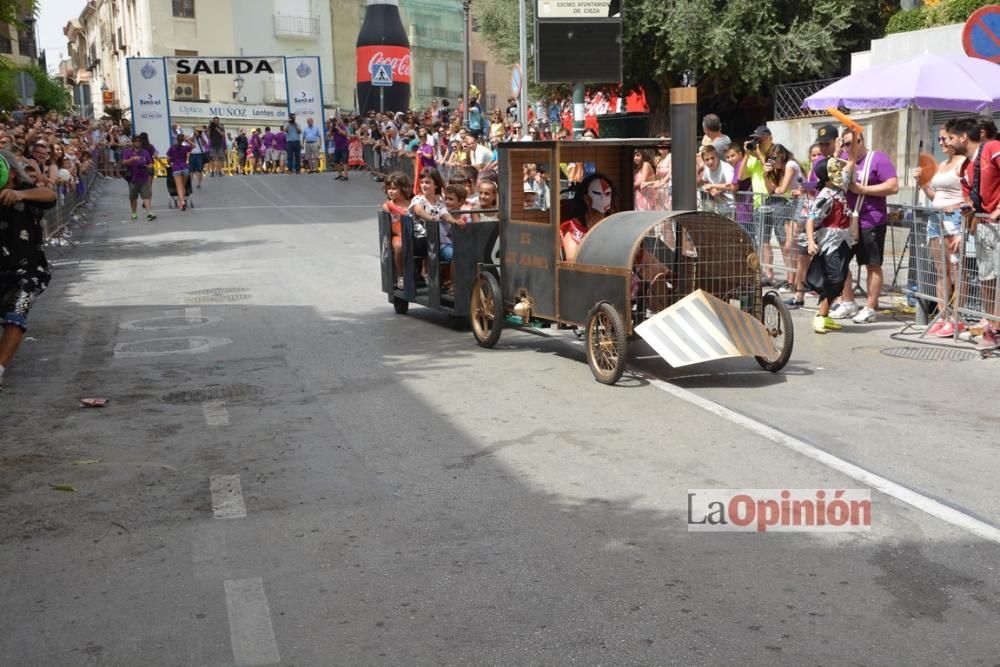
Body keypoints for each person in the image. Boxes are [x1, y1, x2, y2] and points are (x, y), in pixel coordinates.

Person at [0, 151, 58, 392]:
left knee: (17, 312)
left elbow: (50, 194)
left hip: (30, 269)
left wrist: (20, 193)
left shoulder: (28, 194)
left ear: (12, 173)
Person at [829, 127, 899, 324]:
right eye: (845, 144)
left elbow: (893, 186)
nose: (848, 148)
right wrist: (835, 154)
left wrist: (862, 189)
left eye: (851, 143)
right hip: (846, 218)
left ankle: (870, 306)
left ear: (861, 141)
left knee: (872, 264)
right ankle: (848, 301)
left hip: (870, 219)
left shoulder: (877, 158)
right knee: (839, 260)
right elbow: (829, 182)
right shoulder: (842, 159)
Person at [947, 115, 1000, 349]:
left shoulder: (993, 148)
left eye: (950, 138)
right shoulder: (966, 168)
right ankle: (993, 327)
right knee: (987, 280)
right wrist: (966, 211)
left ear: (963, 137)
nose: (947, 143)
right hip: (982, 227)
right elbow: (969, 199)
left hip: (996, 225)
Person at [916, 127, 966, 337]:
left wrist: (959, 213)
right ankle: (943, 315)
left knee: (956, 271)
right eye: (940, 139)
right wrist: (922, 184)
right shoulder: (943, 164)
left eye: (946, 138)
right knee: (940, 271)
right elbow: (935, 196)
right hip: (935, 219)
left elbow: (969, 194)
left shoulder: (965, 163)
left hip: (954, 219)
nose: (942, 142)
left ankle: (957, 318)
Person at [805, 157, 853, 334]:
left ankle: (824, 315)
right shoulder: (825, 195)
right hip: (831, 242)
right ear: (827, 176)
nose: (839, 171)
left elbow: (852, 160)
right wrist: (811, 241)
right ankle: (820, 316)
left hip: (845, 240)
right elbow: (810, 219)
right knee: (836, 279)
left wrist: (854, 135)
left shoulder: (840, 187)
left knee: (840, 279)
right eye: (835, 170)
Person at [738, 125, 785, 286]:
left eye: (761, 139)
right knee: (763, 240)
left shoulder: (775, 152)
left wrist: (759, 156)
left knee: (783, 241)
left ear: (770, 138)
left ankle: (790, 280)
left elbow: (771, 171)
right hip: (759, 203)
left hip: (776, 201)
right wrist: (746, 155)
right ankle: (768, 274)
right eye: (756, 139)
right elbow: (741, 175)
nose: (758, 142)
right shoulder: (753, 155)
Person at [382, 171, 413, 289]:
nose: (390, 191)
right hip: (398, 234)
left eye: (394, 188)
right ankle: (401, 275)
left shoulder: (412, 203)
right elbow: (389, 225)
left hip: (413, 232)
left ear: (403, 188)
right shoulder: (388, 206)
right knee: (399, 246)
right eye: (389, 188)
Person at [122, 135, 156, 222]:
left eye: (139, 141)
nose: (138, 142)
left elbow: (150, 163)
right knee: (133, 197)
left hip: (143, 177)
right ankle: (134, 213)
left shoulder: (145, 152)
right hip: (132, 178)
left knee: (146, 196)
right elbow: (124, 162)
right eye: (136, 140)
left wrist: (146, 166)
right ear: (133, 142)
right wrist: (132, 159)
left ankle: (149, 212)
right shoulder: (128, 152)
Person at [699, 144, 734, 211]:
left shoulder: (726, 168)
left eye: (712, 158)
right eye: (707, 159)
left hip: (731, 206)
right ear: (703, 161)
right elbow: (704, 182)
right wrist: (710, 189)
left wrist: (712, 186)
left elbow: (731, 186)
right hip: (719, 206)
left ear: (717, 157)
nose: (710, 162)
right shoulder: (706, 168)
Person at [167, 132, 194, 210]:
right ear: (183, 140)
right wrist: (187, 140)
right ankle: (183, 201)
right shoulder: (185, 148)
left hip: (176, 168)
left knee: (179, 186)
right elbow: (193, 146)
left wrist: (170, 162)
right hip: (185, 168)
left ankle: (182, 202)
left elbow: (168, 158)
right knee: (183, 185)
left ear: (176, 139)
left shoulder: (172, 148)